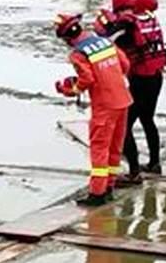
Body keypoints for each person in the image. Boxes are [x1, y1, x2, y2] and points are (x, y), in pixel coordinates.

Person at [53, 12, 132, 207]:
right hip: (123, 100)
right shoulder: (104, 42)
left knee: (99, 149)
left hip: (105, 106)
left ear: (66, 37)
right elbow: (125, 65)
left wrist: (73, 90)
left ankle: (97, 194)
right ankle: (109, 187)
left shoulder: (78, 54)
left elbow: (88, 79)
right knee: (115, 147)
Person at [95, 0, 166, 180]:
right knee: (148, 120)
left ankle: (134, 172)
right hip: (156, 78)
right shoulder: (148, 20)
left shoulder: (126, 23)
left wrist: (104, 24)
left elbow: (105, 41)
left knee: (124, 127)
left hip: (140, 81)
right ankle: (154, 163)